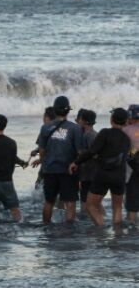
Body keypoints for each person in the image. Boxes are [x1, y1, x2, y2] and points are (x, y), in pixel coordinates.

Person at [71, 108, 133, 227]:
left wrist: (76, 162)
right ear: (126, 122)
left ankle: (101, 228)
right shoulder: (126, 138)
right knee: (117, 208)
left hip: (103, 175)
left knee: (90, 205)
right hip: (119, 176)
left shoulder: (105, 133)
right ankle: (117, 234)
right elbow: (128, 157)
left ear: (111, 120)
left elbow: (91, 152)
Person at [32, 95, 85, 224]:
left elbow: (42, 150)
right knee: (70, 203)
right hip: (68, 171)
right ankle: (69, 229)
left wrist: (44, 163)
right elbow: (80, 152)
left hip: (49, 170)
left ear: (54, 110)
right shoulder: (75, 128)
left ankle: (46, 227)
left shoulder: (45, 128)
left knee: (49, 202)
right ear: (68, 110)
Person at [75, 109, 98, 211]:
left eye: (80, 119)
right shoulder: (94, 134)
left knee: (85, 204)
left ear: (84, 121)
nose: (78, 121)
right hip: (92, 174)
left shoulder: (87, 135)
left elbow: (94, 154)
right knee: (93, 203)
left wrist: (81, 155)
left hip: (88, 175)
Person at [125, 104, 139, 224]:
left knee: (132, 204)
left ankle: (131, 228)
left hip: (133, 170)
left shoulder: (128, 130)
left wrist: (130, 154)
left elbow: (133, 150)